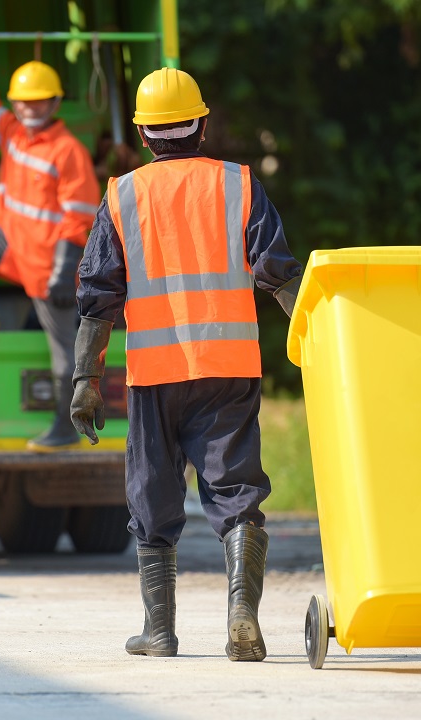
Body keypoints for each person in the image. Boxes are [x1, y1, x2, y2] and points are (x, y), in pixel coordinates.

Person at [70, 68, 303, 661]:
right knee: (236, 492)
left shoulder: (122, 195)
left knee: (152, 496)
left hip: (154, 375)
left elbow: (99, 294)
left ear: (144, 136)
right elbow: (277, 272)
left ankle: (160, 632)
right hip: (228, 368)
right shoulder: (239, 185)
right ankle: (241, 614)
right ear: (201, 125)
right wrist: (315, 339)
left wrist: (85, 381)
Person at [0, 27, 101, 453]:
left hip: (49, 267)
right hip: (9, 244)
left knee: (66, 355)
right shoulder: (12, 133)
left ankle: (66, 429)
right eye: (24, 100)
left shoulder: (67, 151)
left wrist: (67, 271)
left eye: (39, 100)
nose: (30, 107)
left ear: (55, 103)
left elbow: (81, 215)